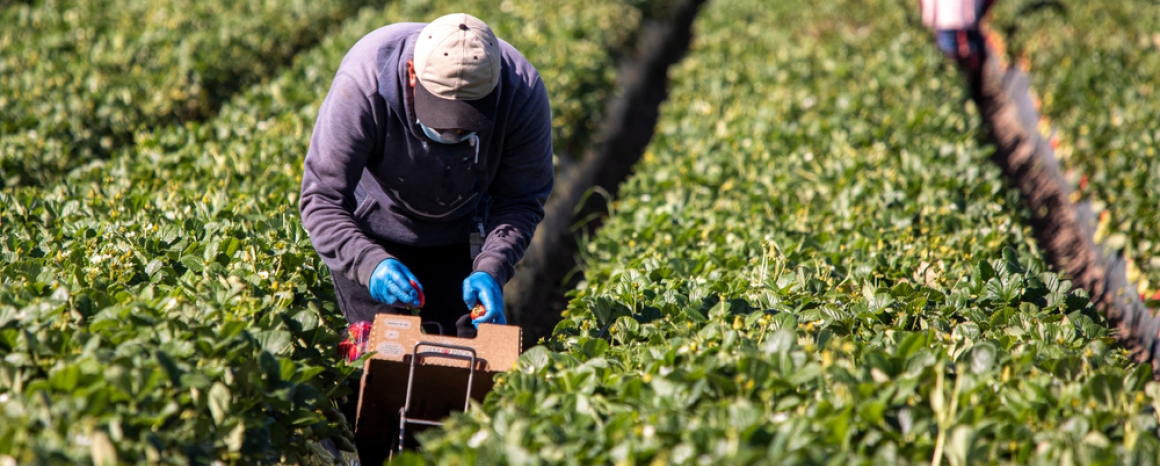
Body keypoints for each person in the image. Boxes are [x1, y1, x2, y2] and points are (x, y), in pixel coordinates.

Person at [299, 13, 553, 348]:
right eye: (443, 119)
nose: (454, 133)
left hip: (462, 234)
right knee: (379, 360)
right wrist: (369, 264)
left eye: (467, 124)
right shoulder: (365, 82)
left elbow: (521, 201)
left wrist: (492, 266)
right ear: (412, 76)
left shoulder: (522, 93)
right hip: (373, 234)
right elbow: (321, 198)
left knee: (463, 359)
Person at [920, 0, 994, 70]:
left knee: (950, 55)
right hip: (964, 18)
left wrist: (929, 16)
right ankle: (969, 77)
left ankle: (961, 76)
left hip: (948, 18)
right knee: (972, 52)